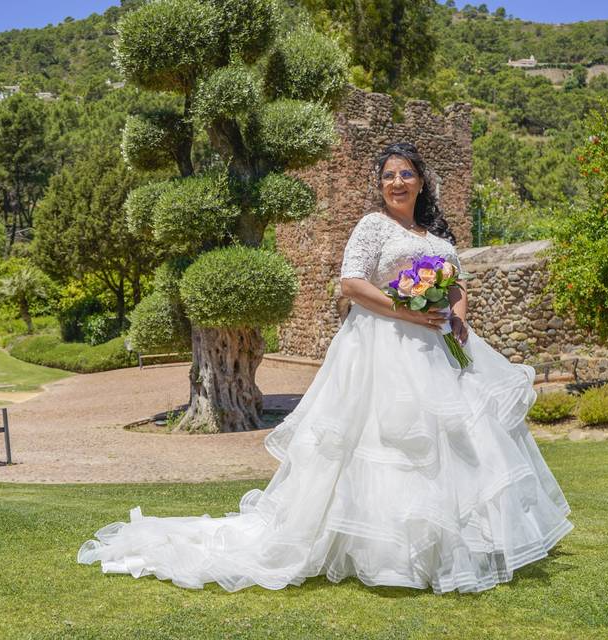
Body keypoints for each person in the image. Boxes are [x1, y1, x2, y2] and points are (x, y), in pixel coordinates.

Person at [78, 141, 573, 593]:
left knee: (457, 441)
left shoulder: (438, 235)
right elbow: (351, 284)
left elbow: (458, 285)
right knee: (384, 440)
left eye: (405, 174)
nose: (396, 182)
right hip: (385, 346)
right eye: (388, 176)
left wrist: (457, 320)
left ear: (422, 181)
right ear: (380, 186)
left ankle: (454, 546)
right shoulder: (372, 226)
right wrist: (406, 312)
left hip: (440, 349)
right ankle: (375, 549)